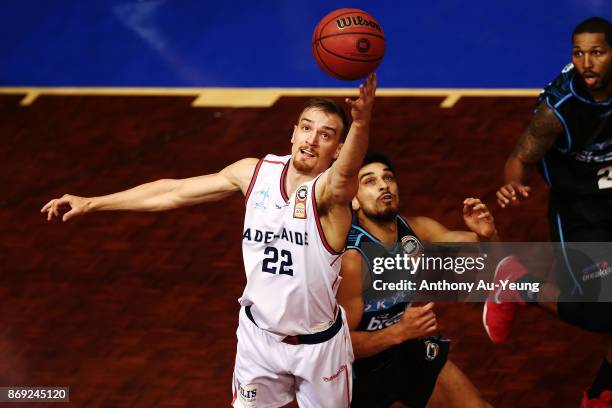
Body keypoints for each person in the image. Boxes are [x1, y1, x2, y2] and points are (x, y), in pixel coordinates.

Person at [41, 74, 377, 407]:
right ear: (292, 132)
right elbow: (173, 192)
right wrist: (93, 202)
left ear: (337, 150)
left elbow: (346, 174)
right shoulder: (253, 173)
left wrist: (361, 124)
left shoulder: (331, 198)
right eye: (306, 127)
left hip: (318, 347)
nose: (312, 139)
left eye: (326, 135)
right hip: (258, 339)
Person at [483, 16, 612, 406]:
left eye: (597, 52)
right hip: (580, 213)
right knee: (600, 313)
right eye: (578, 53)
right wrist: (512, 183)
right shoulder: (559, 109)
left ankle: (602, 393)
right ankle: (517, 284)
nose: (586, 63)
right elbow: (519, 158)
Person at [337, 151, 495, 408]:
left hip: (408, 349)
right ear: (353, 201)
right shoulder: (353, 258)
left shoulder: (417, 230)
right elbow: (339, 345)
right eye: (369, 181)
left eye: (388, 177)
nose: (383, 185)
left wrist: (487, 234)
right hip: (360, 372)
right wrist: (398, 331)